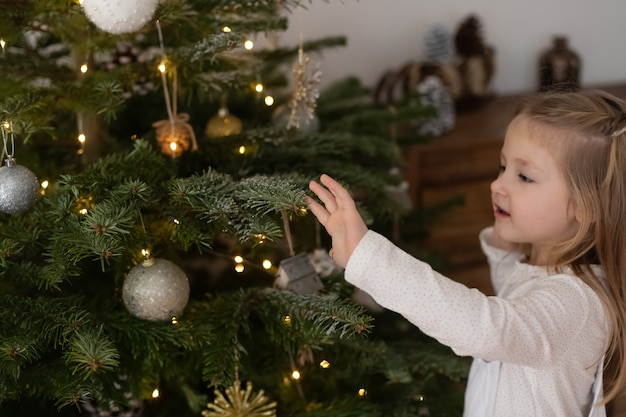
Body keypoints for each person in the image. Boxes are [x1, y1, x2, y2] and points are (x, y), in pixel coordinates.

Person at [306, 89, 626, 417]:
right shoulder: (553, 276)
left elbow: (487, 327)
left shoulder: (577, 306)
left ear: (587, 207)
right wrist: (503, 249)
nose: (497, 185)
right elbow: (517, 302)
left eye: (524, 177)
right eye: (502, 167)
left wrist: (368, 257)